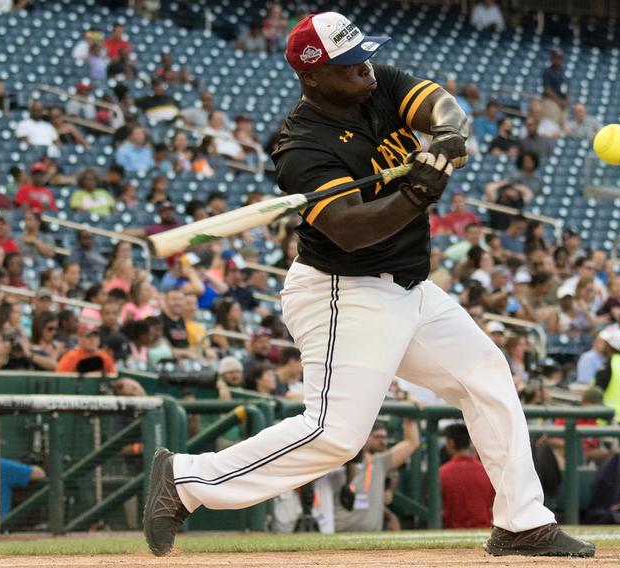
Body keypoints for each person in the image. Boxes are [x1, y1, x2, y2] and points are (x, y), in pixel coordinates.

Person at [142, 12, 592, 559]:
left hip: (411, 288)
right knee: (334, 434)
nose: (366, 70)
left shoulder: (377, 83)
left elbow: (443, 106)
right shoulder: (303, 147)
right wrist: (416, 194)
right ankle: (187, 481)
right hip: (344, 290)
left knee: (486, 377)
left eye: (364, 57)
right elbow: (352, 230)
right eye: (350, 65)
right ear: (313, 77)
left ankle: (522, 521)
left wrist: (449, 136)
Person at [440, 422, 494, 529]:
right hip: (485, 534)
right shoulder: (488, 470)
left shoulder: (441, 472)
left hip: (452, 536)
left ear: (451, 443)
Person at [541, 49, 568, 128]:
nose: (558, 60)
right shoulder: (547, 72)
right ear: (552, 58)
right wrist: (559, 101)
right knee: (553, 125)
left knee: (563, 125)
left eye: (560, 58)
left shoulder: (562, 72)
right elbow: (547, 89)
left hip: (562, 103)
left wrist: (566, 100)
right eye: (556, 57)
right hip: (551, 101)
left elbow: (566, 87)